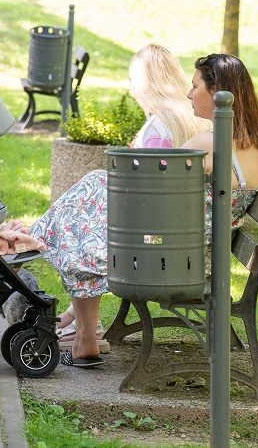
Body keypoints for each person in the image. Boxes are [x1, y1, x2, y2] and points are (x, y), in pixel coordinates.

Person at [33, 53, 258, 367]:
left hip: (171, 260)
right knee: (89, 210)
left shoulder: (208, 143)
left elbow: (148, 193)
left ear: (217, 93)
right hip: (199, 251)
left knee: (80, 237)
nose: (188, 94)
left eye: (195, 86)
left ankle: (85, 337)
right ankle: (81, 330)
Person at [51, 44, 210, 354]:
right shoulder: (192, 120)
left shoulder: (158, 127)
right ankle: (79, 319)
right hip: (180, 235)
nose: (130, 87)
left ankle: (86, 330)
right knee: (83, 219)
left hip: (153, 244)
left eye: (131, 80)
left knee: (78, 235)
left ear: (144, 83)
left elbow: (143, 194)